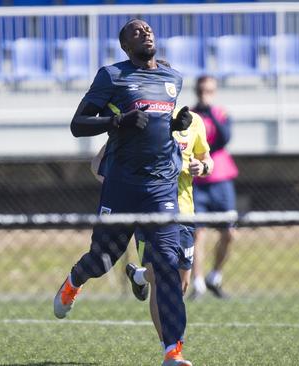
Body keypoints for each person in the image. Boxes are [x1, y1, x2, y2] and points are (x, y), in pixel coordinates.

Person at [53, 19, 193, 366]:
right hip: (121, 185)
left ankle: (173, 351)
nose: (145, 33)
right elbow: (78, 125)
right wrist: (118, 121)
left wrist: (175, 125)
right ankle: (74, 281)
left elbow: (159, 124)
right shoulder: (112, 76)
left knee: (166, 266)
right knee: (102, 260)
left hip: (161, 187)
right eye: (135, 31)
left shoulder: (172, 77)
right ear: (124, 46)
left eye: (148, 29)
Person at [91, 98, 213, 353]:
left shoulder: (193, 121)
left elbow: (207, 160)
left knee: (181, 282)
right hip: (151, 211)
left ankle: (138, 276)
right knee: (160, 276)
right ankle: (169, 348)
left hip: (185, 212)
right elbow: (99, 161)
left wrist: (200, 167)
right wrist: (117, 187)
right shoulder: (140, 119)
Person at [189, 75, 239, 299]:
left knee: (229, 232)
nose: (204, 94)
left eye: (209, 90)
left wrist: (210, 112)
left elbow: (224, 139)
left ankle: (215, 276)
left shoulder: (221, 114)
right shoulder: (189, 115)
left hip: (220, 179)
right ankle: (198, 283)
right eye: (201, 90)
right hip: (197, 182)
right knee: (198, 233)